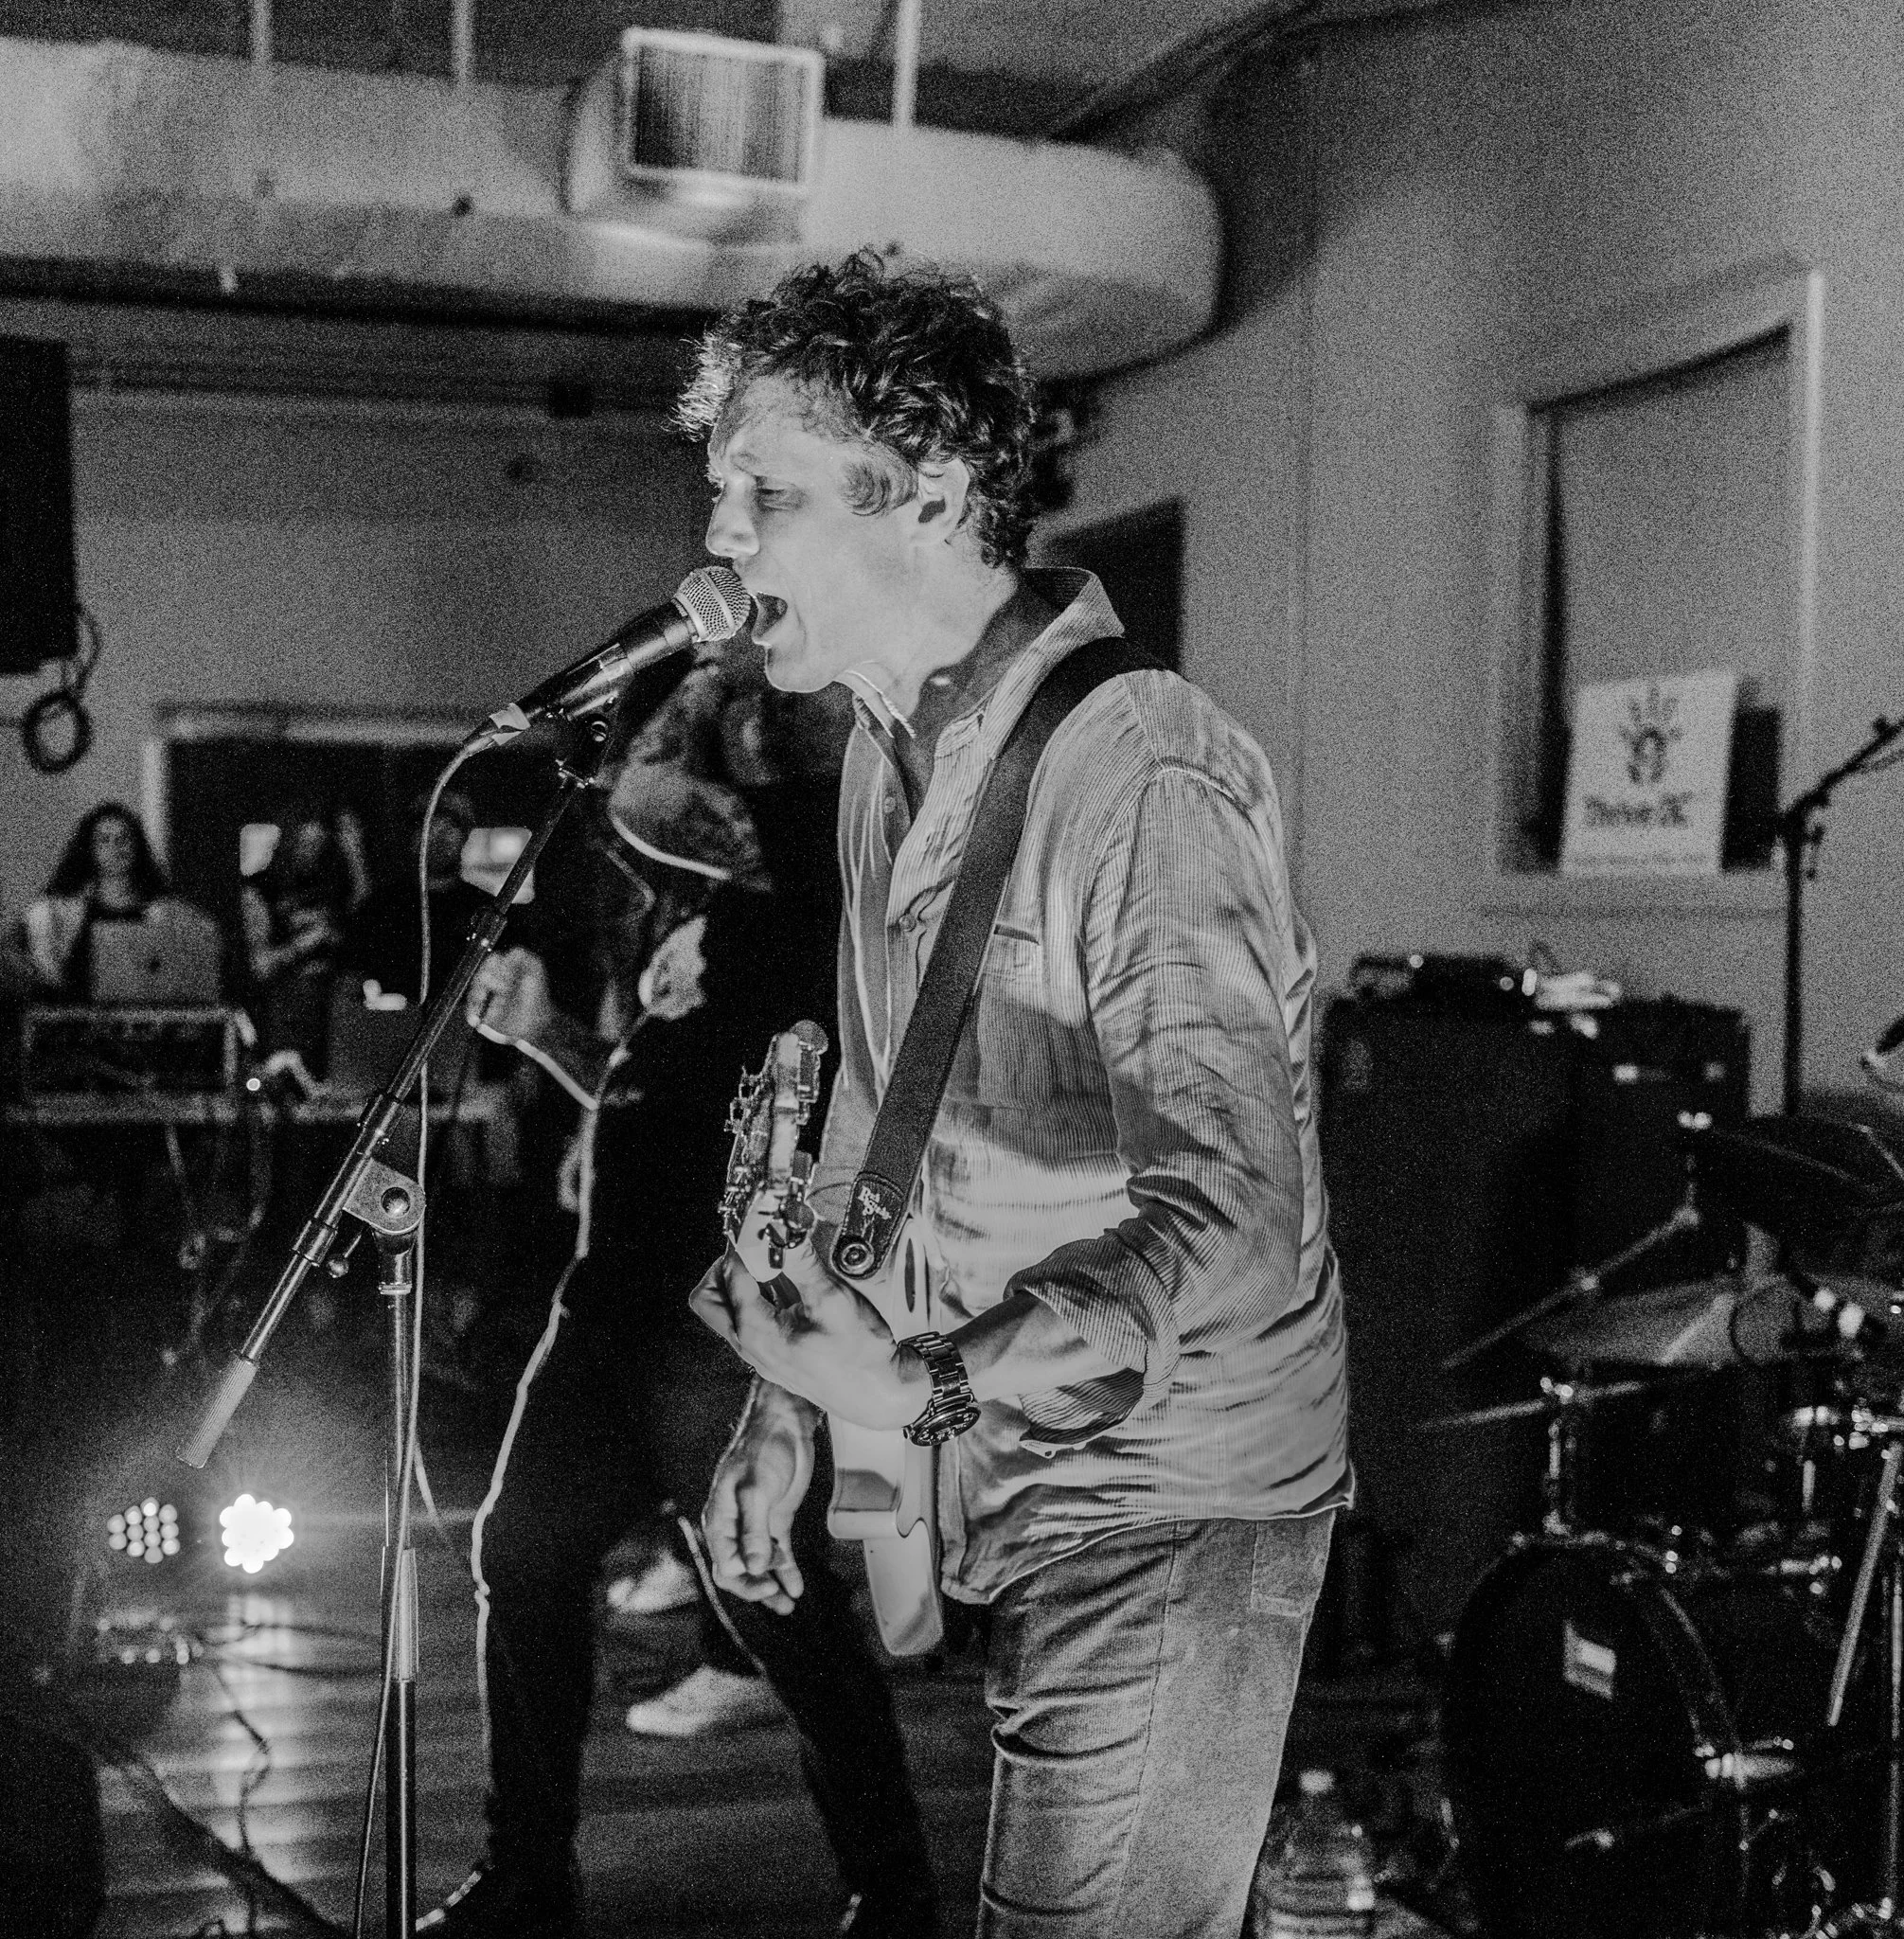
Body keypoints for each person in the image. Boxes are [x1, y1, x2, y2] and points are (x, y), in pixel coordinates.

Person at [683, 252, 1351, 1938]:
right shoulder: (881, 752)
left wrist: (923, 1391)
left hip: (1173, 1479)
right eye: (721, 495)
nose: (725, 541)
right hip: (1008, 1449)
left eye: (766, 492)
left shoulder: (1146, 769)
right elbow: (873, 1120)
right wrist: (788, 1400)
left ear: (937, 490)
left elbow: (1232, 1218)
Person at [418, 650, 936, 1939]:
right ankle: (529, 1876)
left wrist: (723, 667)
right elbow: (661, 1106)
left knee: (775, 1601)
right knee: (522, 1552)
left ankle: (892, 1889)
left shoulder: (818, 916)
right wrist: (549, 1037)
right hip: (608, 1296)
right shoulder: (700, 927)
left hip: (713, 1310)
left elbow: (664, 784)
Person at [240, 802, 369, 1074]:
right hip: (286, 1006)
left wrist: (353, 852)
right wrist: (306, 942)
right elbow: (260, 965)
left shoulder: (337, 886)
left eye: (318, 846)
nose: (310, 854)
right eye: (303, 844)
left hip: (338, 1007)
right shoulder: (263, 887)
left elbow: (363, 915)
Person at [16, 802, 189, 998]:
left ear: (137, 846)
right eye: (104, 840)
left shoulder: (164, 910)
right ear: (90, 848)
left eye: (124, 838)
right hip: (80, 1016)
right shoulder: (61, 911)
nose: (115, 847)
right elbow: (50, 974)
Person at [343, 789, 490, 1006]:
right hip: (389, 1030)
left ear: (465, 836)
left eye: (450, 828)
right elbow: (352, 974)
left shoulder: (485, 909)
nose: (438, 838)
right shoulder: (382, 905)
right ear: (413, 837)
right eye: (430, 827)